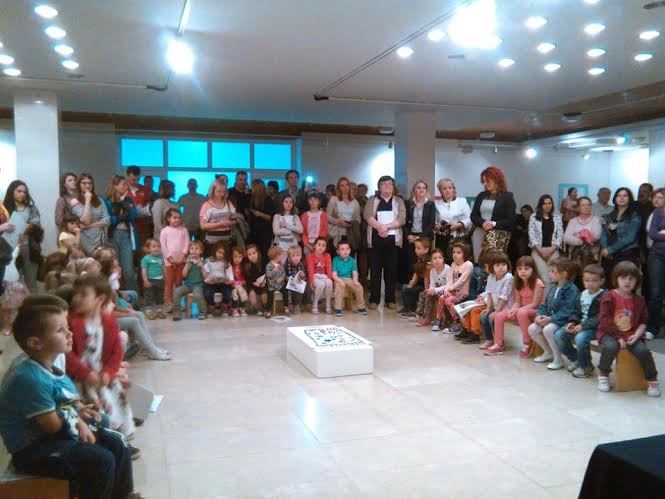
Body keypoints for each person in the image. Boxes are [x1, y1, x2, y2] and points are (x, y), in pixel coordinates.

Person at [0, 297, 141, 499]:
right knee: (100, 460)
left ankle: (124, 495)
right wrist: (80, 421)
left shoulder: (52, 366)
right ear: (36, 343)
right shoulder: (29, 377)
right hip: (33, 450)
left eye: (67, 327)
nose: (69, 333)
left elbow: (66, 402)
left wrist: (81, 410)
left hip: (53, 437)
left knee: (116, 441)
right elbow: (52, 427)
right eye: (60, 330)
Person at [67, 276, 136, 441]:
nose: (76, 298)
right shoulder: (71, 322)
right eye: (75, 294)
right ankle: (106, 439)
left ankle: (122, 436)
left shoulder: (109, 322)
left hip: (103, 377)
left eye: (83, 294)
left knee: (115, 404)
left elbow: (117, 351)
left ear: (100, 299)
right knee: (95, 411)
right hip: (81, 380)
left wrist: (109, 372)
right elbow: (66, 354)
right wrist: (85, 373)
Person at [596, 261, 660, 397]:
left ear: (637, 281)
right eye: (623, 277)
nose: (627, 281)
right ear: (616, 279)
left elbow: (643, 322)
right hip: (609, 332)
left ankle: (652, 380)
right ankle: (603, 374)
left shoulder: (639, 300)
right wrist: (618, 337)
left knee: (643, 351)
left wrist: (637, 335)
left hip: (631, 334)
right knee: (611, 347)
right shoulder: (608, 297)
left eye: (631, 278)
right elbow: (605, 321)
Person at [487, 255, 544, 357]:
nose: (523, 271)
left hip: (536, 311)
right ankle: (498, 344)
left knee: (521, 312)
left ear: (533, 270)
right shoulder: (518, 283)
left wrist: (518, 310)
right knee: (499, 315)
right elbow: (517, 302)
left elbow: (535, 304)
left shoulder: (538, 283)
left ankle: (527, 343)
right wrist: (513, 309)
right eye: (520, 269)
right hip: (522, 311)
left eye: (526, 269)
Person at [528, 257, 579, 370]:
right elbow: (544, 304)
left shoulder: (572, 289)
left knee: (548, 329)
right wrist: (539, 315)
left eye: (552, 271)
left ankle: (558, 359)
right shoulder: (553, 286)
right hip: (550, 318)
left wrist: (551, 319)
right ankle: (548, 352)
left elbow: (569, 310)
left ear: (564, 274)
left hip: (563, 321)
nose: (549, 273)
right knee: (532, 328)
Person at [555, 264, 605, 378]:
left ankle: (586, 366)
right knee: (559, 334)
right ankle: (576, 359)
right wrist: (572, 322)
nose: (590, 283)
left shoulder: (604, 296)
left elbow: (600, 317)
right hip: (580, 325)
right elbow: (576, 312)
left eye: (594, 280)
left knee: (580, 338)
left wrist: (583, 326)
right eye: (587, 280)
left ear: (602, 281)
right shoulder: (582, 294)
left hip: (596, 328)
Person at [364, 175, 406, 310]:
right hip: (375, 240)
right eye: (383, 184)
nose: (387, 186)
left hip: (393, 242)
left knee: (391, 271)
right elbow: (367, 215)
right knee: (375, 271)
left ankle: (390, 299)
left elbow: (402, 219)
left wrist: (386, 227)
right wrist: (379, 227)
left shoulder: (399, 200)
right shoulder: (372, 199)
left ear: (393, 187)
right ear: (379, 187)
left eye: (389, 183)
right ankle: (374, 299)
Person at [2, 180, 42, 292]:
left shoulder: (32, 209)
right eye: (19, 191)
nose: (22, 194)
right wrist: (5, 227)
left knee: (31, 282)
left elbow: (37, 227)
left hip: (29, 248)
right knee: (10, 282)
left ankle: (34, 303)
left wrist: (28, 228)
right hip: (8, 248)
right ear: (12, 191)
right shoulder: (4, 209)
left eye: (24, 192)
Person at [470, 166, 516, 262]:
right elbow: (473, 216)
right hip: (479, 232)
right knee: (479, 261)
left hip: (497, 235)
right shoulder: (481, 196)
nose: (485, 184)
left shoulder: (507, 197)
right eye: (484, 181)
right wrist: (483, 222)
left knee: (493, 261)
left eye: (488, 181)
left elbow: (511, 220)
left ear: (496, 180)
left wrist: (493, 224)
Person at [103, 175, 138, 291]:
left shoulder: (128, 200)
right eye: (123, 184)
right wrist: (120, 215)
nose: (126, 187)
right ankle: (116, 296)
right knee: (114, 269)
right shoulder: (106, 201)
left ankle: (132, 297)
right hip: (111, 237)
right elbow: (108, 220)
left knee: (129, 270)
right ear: (115, 186)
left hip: (126, 236)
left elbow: (133, 216)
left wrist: (123, 204)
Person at [600, 187, 641, 281]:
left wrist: (610, 249)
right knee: (609, 282)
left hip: (626, 254)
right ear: (615, 198)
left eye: (625, 195)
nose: (622, 198)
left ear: (630, 199)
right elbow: (605, 234)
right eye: (619, 195)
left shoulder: (634, 216)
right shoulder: (611, 216)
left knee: (623, 282)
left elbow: (629, 238)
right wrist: (605, 249)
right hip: (609, 256)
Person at [477, 252, 515, 350]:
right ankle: (489, 339)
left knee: (494, 317)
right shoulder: (491, 277)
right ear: (492, 267)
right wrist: (488, 308)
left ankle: (498, 341)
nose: (501, 267)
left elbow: (504, 297)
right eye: (497, 265)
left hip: (507, 307)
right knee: (484, 316)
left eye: (503, 264)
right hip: (495, 306)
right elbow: (489, 293)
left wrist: (497, 311)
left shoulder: (509, 278)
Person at [435, 241, 473, 334]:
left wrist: (450, 289)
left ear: (465, 253)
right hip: (453, 291)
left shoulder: (468, 265)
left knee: (448, 300)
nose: (455, 254)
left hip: (462, 293)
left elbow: (461, 281)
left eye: (458, 252)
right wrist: (446, 290)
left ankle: (457, 323)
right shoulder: (453, 264)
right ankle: (439, 320)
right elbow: (450, 280)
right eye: (454, 252)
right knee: (442, 298)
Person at [402, 180, 436, 283]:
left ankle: (424, 285)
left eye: (424, 188)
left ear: (426, 190)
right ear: (414, 190)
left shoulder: (430, 204)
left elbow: (431, 223)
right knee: (411, 263)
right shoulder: (408, 203)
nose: (421, 190)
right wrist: (408, 236)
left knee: (424, 263)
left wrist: (420, 238)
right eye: (419, 187)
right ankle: (411, 285)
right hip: (411, 236)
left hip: (425, 237)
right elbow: (404, 221)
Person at [528, 194, 564, 286]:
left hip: (553, 251)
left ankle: (551, 295)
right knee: (545, 279)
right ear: (540, 205)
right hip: (538, 251)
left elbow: (560, 235)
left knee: (554, 279)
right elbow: (532, 235)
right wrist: (541, 251)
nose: (547, 206)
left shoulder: (557, 218)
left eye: (549, 203)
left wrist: (551, 250)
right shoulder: (533, 217)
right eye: (544, 204)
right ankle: (545, 296)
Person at [160, 208, 190, 314]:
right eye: (174, 217)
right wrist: (170, 258)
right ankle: (169, 303)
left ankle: (178, 303)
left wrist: (183, 256)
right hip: (169, 263)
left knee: (179, 283)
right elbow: (163, 246)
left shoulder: (184, 230)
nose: (177, 220)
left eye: (179, 218)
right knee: (169, 283)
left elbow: (187, 243)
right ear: (168, 218)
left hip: (181, 261)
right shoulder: (165, 231)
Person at [433, 178, 471, 261]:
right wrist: (437, 226)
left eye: (450, 188)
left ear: (453, 189)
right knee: (444, 261)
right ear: (440, 191)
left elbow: (470, 218)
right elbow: (434, 221)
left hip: (459, 237)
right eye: (444, 188)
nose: (448, 191)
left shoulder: (462, 201)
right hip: (442, 239)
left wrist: (459, 224)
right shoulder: (436, 204)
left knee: (459, 261)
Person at [199, 178, 236, 256]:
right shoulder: (206, 205)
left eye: (223, 191)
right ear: (212, 191)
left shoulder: (228, 203)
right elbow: (202, 226)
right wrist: (220, 224)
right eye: (219, 191)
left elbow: (236, 218)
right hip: (211, 244)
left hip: (227, 242)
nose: (222, 194)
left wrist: (230, 222)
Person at [563, 196, 602, 268]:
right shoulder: (573, 221)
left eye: (588, 205)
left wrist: (576, 235)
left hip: (592, 257)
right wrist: (582, 238)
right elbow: (566, 238)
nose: (586, 207)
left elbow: (596, 236)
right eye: (583, 205)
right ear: (578, 207)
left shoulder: (596, 220)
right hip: (574, 257)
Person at [173, 240, 207, 321]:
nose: (194, 250)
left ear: (201, 251)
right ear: (189, 250)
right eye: (192, 248)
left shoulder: (203, 261)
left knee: (197, 295)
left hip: (198, 285)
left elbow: (206, 276)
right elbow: (183, 275)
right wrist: (187, 263)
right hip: (187, 285)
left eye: (196, 249)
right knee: (176, 291)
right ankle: (177, 313)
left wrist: (202, 267)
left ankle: (202, 312)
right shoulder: (189, 261)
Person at [646, 193, 665, 340]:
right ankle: (652, 328)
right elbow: (653, 234)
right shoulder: (659, 211)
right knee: (655, 294)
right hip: (657, 256)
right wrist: (660, 234)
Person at [415, 248, 450, 327]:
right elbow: (432, 284)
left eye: (440, 258)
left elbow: (448, 285)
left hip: (446, 290)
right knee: (424, 294)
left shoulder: (447, 269)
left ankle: (440, 319)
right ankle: (424, 316)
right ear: (431, 261)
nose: (437, 260)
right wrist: (430, 289)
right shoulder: (432, 271)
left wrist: (435, 290)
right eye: (435, 258)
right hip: (436, 290)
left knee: (439, 295)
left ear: (443, 259)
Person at [332, 240, 367, 316]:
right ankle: (338, 308)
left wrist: (355, 281)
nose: (345, 251)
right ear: (338, 252)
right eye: (342, 249)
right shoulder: (335, 260)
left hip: (349, 279)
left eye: (347, 249)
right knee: (339, 287)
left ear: (350, 250)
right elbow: (334, 275)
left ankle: (361, 307)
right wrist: (340, 281)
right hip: (339, 279)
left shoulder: (352, 261)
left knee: (359, 287)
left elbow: (354, 273)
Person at [326, 177, 361, 251]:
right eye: (342, 185)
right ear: (339, 188)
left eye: (347, 185)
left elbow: (358, 219)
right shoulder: (334, 199)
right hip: (336, 233)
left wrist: (350, 224)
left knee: (349, 255)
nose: (345, 187)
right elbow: (327, 216)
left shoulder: (355, 202)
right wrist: (338, 222)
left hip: (350, 234)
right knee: (336, 254)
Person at [399, 237, 431, 318]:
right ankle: (408, 308)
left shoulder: (426, 260)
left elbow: (422, 275)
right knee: (406, 287)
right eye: (415, 248)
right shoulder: (419, 259)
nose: (416, 250)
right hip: (421, 284)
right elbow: (416, 273)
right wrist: (412, 283)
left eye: (418, 248)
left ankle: (410, 309)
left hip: (426, 286)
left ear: (426, 250)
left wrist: (412, 283)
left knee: (406, 288)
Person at [247, 179, 275, 261]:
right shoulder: (251, 199)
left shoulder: (268, 200)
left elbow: (271, 217)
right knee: (254, 253)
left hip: (265, 232)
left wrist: (259, 214)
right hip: (254, 231)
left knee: (264, 253)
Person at [202, 242, 233, 317]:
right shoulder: (208, 261)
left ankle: (225, 308)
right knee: (208, 293)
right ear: (215, 251)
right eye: (219, 252)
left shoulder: (226, 263)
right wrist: (209, 280)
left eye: (223, 254)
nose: (221, 255)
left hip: (223, 283)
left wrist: (227, 281)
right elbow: (205, 276)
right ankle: (210, 308)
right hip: (211, 283)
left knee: (227, 292)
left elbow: (230, 277)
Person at [306, 237, 333, 315]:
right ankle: (315, 305)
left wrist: (330, 279)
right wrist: (311, 281)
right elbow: (310, 270)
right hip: (315, 276)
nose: (321, 247)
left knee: (329, 282)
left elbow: (329, 269)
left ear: (325, 248)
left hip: (324, 276)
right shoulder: (310, 256)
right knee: (321, 284)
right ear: (315, 246)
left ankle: (328, 305)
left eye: (323, 245)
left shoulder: (327, 255)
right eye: (319, 245)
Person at [125, 166, 151, 245]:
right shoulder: (122, 188)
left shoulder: (145, 189)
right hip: (128, 226)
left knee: (143, 249)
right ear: (128, 176)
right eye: (133, 179)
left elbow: (148, 203)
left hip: (142, 226)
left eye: (138, 179)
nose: (136, 182)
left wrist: (146, 207)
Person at [272, 195, 303, 262]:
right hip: (282, 245)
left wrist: (287, 225)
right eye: (286, 202)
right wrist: (290, 231)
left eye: (291, 202)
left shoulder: (295, 216)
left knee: (294, 263)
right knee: (282, 263)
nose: (289, 204)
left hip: (293, 244)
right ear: (282, 203)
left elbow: (300, 230)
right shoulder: (277, 216)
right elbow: (276, 231)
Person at [140, 238, 166, 319]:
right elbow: (144, 270)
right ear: (148, 249)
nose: (156, 248)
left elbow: (163, 268)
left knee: (160, 296)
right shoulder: (146, 259)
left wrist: (165, 277)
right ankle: (149, 311)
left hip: (160, 280)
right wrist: (145, 280)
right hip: (150, 281)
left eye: (158, 246)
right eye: (154, 246)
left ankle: (160, 311)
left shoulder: (161, 257)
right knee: (149, 296)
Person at [284, 245, 306, 315]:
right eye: (293, 256)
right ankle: (296, 305)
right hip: (288, 282)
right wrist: (287, 277)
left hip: (298, 281)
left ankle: (303, 303)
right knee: (295, 288)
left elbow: (304, 276)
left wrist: (303, 275)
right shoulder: (287, 265)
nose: (296, 258)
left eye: (297, 255)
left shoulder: (301, 265)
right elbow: (283, 274)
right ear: (289, 258)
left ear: (301, 256)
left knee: (305, 287)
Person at [244, 244, 266, 315]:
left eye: (254, 253)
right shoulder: (247, 266)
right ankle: (257, 308)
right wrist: (253, 283)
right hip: (252, 284)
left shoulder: (262, 263)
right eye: (249, 254)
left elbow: (266, 274)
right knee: (252, 293)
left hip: (262, 283)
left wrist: (263, 281)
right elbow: (247, 279)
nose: (252, 256)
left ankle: (265, 307)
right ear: (247, 256)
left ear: (258, 253)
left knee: (264, 293)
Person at [264, 246, 286, 319]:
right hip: (272, 285)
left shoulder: (280, 264)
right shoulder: (269, 265)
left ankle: (286, 307)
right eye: (281, 255)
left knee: (285, 291)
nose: (282, 257)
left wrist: (282, 278)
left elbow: (283, 273)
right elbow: (268, 275)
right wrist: (274, 270)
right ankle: (268, 310)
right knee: (270, 296)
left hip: (280, 284)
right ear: (276, 256)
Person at [229, 247, 248, 317]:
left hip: (241, 284)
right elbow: (229, 277)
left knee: (243, 291)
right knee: (235, 293)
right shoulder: (230, 266)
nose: (237, 259)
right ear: (232, 257)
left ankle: (242, 307)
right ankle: (234, 308)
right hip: (232, 284)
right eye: (235, 256)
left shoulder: (243, 266)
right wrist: (234, 283)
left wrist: (242, 282)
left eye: (240, 257)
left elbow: (245, 277)